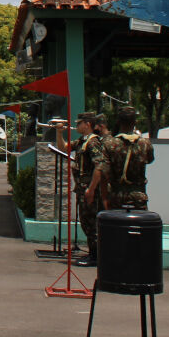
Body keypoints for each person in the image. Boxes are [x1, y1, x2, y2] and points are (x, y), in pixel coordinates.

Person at [59, 111, 108, 267]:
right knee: (86, 222)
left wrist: (91, 189)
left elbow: (99, 166)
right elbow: (64, 148)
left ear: (88, 124)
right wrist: (59, 133)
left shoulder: (93, 143)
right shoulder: (82, 141)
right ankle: (93, 254)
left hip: (88, 189)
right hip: (82, 188)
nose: (76, 125)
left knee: (91, 223)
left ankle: (95, 256)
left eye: (79, 123)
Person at [102, 106, 154, 210]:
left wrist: (104, 198)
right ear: (135, 122)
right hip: (138, 197)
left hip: (116, 197)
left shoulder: (109, 144)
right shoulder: (145, 144)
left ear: (118, 122)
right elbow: (150, 159)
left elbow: (104, 174)